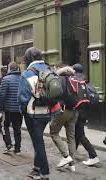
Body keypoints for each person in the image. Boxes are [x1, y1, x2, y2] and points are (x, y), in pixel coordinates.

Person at [18, 47, 60, 180]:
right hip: (48, 112)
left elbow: (22, 98)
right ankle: (36, 169)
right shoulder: (50, 69)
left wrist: (22, 111)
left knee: (38, 142)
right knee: (38, 139)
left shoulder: (27, 74)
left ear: (28, 58)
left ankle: (44, 173)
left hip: (33, 114)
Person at [50, 66, 78, 172]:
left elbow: (55, 96)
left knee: (53, 132)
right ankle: (72, 164)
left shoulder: (60, 80)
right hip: (75, 111)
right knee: (71, 137)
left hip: (63, 110)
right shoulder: (74, 80)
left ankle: (66, 156)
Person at [73, 63, 100, 166]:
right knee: (77, 133)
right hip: (85, 110)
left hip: (78, 111)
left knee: (80, 134)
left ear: (74, 71)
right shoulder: (85, 80)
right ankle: (71, 155)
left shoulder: (75, 80)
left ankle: (93, 156)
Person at [0, 62, 23, 154]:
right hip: (19, 109)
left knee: (5, 126)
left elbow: (1, 95)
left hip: (8, 109)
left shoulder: (6, 79)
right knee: (17, 128)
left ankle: (8, 144)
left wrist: (0, 107)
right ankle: (17, 149)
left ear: (9, 69)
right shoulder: (22, 79)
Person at [0, 67, 8, 132]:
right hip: (7, 99)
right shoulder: (8, 79)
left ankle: (1, 125)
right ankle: (2, 125)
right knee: (4, 114)